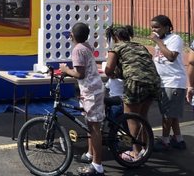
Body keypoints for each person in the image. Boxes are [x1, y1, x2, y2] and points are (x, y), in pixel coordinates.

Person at [103, 25, 161, 161]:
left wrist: (112, 74)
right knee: (143, 116)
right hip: (154, 81)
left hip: (135, 82)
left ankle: (135, 153)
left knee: (131, 117)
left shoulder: (116, 48)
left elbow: (108, 70)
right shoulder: (140, 46)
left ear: (116, 37)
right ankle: (145, 148)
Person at [59, 23, 105, 176]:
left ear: (72, 36)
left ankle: (97, 166)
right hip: (91, 90)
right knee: (89, 126)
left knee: (94, 128)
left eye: (70, 34)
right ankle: (91, 155)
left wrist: (66, 70)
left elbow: (80, 74)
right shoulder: (86, 46)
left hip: (91, 92)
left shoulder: (77, 49)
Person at [151, 14, 188, 150]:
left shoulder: (174, 39)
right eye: (152, 27)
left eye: (157, 27)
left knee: (167, 115)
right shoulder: (161, 40)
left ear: (166, 27)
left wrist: (158, 42)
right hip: (163, 82)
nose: (154, 30)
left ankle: (164, 141)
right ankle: (178, 139)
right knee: (171, 114)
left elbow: (172, 57)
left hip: (173, 82)